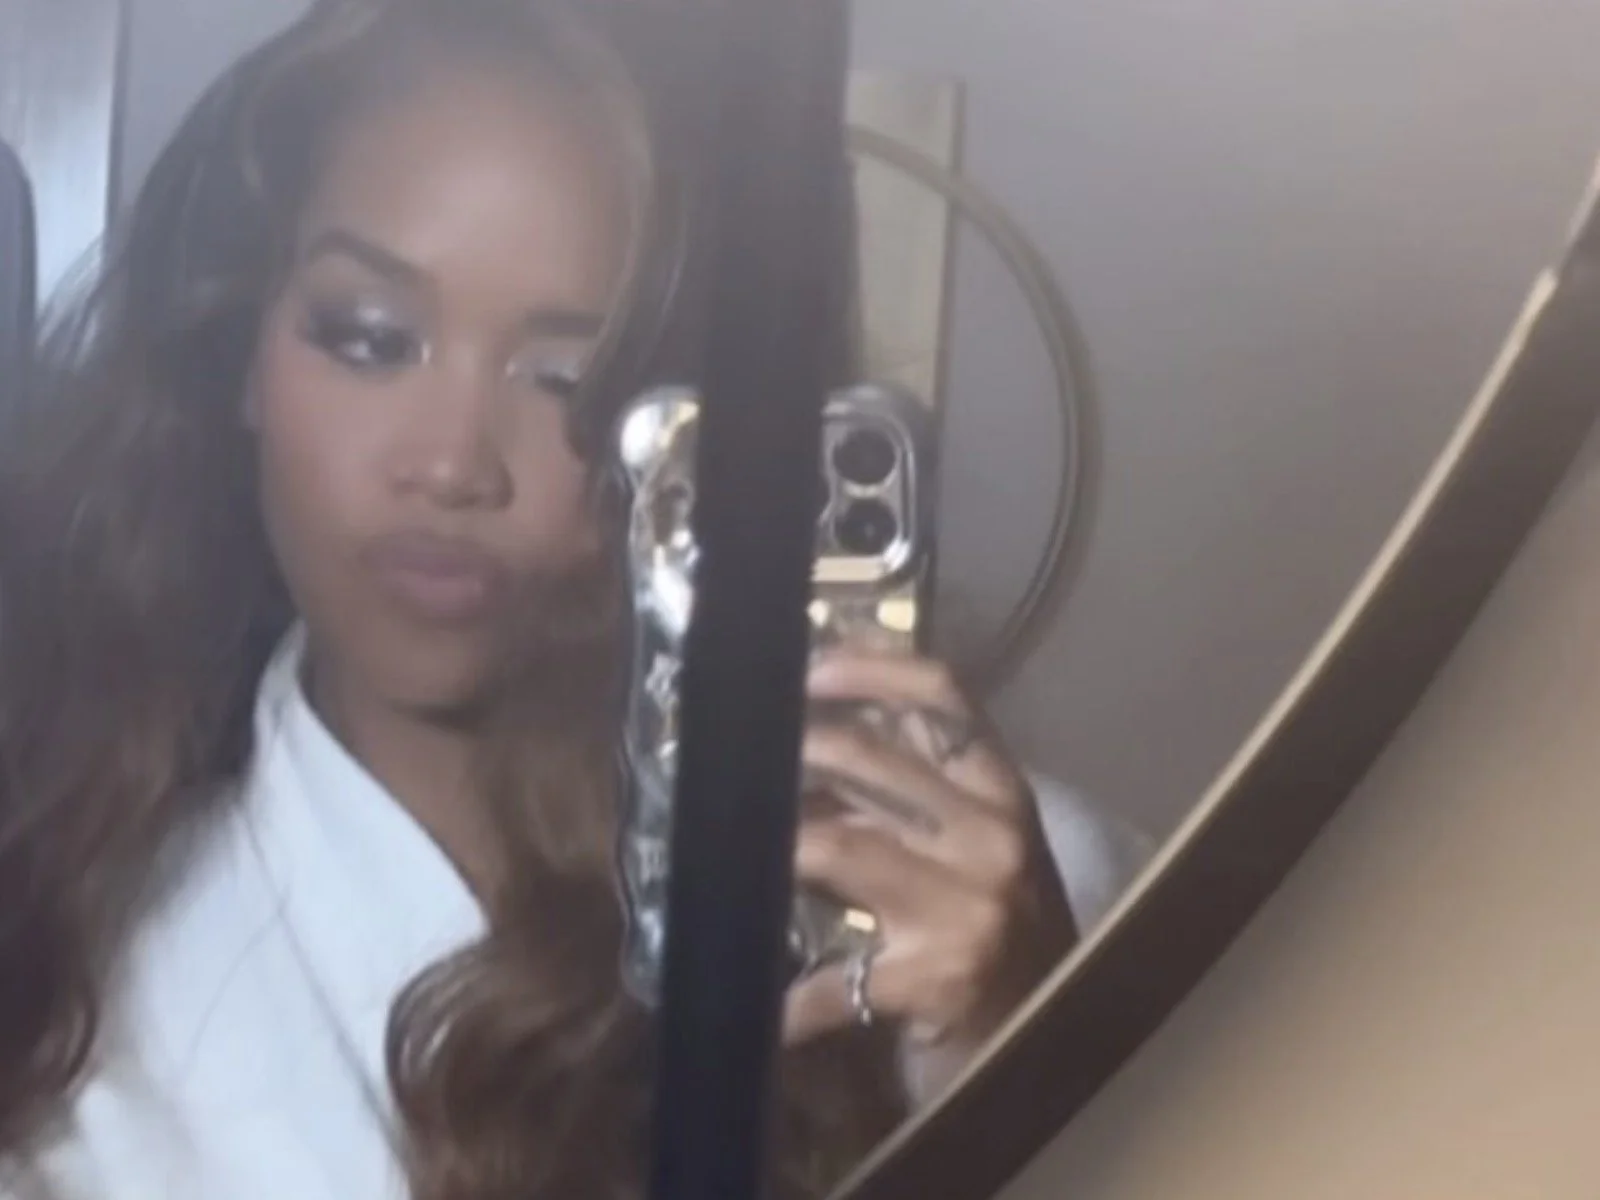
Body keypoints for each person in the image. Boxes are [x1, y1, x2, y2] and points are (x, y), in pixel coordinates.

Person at [0, 1, 1148, 1197]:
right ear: (244, 350)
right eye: (369, 336)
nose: (452, 463)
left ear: (707, 431)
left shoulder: (1011, 902)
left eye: (568, 378)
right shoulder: (60, 998)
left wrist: (1020, 1064)